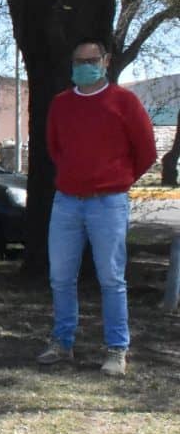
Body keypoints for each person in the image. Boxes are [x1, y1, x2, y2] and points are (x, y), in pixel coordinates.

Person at [36, 40, 156, 377]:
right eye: (78, 61)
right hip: (67, 202)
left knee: (111, 278)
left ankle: (117, 349)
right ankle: (62, 342)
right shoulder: (61, 104)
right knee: (60, 277)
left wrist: (117, 180)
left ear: (105, 62)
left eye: (91, 60)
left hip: (109, 202)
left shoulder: (124, 101)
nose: (83, 66)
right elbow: (55, 147)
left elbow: (146, 151)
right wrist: (75, 178)